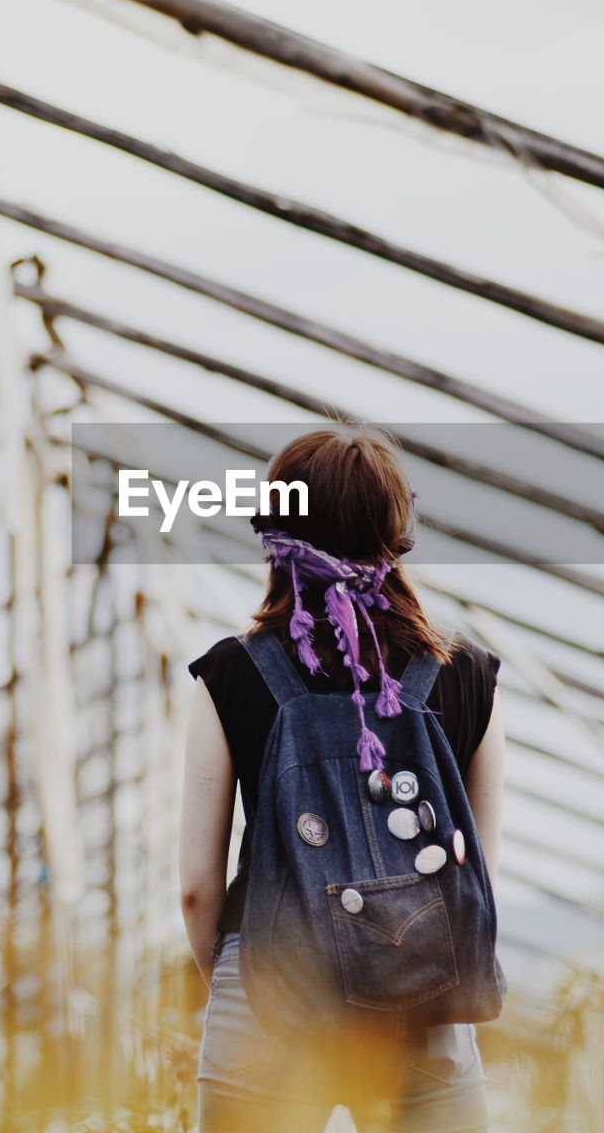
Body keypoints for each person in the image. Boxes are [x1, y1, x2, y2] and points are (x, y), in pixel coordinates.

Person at [179, 428, 505, 1133]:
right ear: (393, 531)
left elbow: (195, 887)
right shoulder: (470, 675)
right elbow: (477, 876)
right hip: (421, 1000)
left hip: (267, 991)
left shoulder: (230, 673)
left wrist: (241, 981)